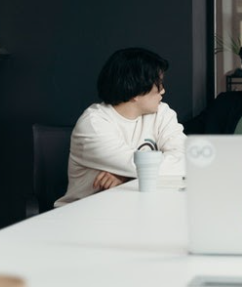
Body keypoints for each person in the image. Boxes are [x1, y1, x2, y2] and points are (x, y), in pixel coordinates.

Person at [55, 47, 186, 206]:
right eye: (158, 84)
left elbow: (187, 161)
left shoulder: (162, 113)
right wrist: (135, 172)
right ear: (135, 92)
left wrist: (125, 177)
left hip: (137, 211)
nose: (163, 90)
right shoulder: (93, 124)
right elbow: (166, 167)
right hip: (87, 216)